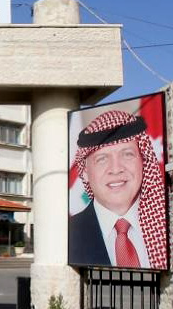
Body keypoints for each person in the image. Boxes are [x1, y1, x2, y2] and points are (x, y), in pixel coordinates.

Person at [68, 109, 167, 269]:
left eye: (127, 154)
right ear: (85, 172)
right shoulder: (67, 235)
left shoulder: (169, 226)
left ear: (143, 160)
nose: (115, 169)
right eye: (102, 159)